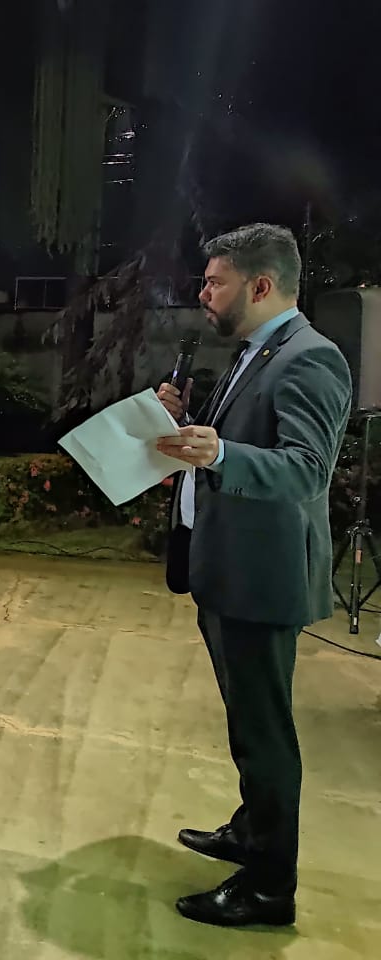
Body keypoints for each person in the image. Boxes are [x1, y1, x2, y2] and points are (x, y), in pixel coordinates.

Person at [154, 224, 352, 928]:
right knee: (247, 723)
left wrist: (219, 455)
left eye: (216, 282)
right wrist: (188, 424)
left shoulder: (310, 358)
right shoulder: (256, 352)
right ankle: (251, 829)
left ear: (260, 285)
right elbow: (240, 438)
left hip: (262, 577)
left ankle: (269, 888)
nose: (203, 293)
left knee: (265, 734)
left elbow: (307, 470)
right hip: (224, 566)